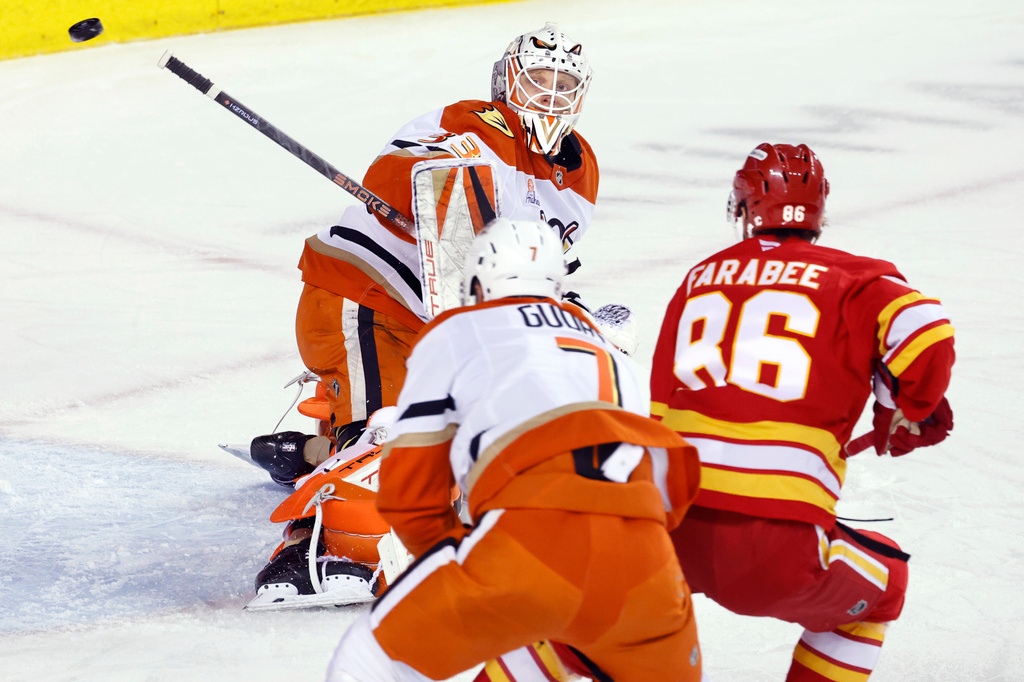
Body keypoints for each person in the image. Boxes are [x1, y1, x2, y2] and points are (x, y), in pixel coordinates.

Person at [245, 23, 644, 603]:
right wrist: (434, 167)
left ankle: (305, 453)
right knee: (378, 439)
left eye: (565, 84)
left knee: (445, 439)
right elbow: (404, 168)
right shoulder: (469, 122)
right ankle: (309, 552)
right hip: (363, 298)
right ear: (508, 81)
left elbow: (528, 259)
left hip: (438, 322)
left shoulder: (580, 168)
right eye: (538, 79)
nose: (551, 95)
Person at [325, 217, 705, 682]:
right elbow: (672, 480)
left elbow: (412, 498)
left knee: (365, 662)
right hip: (651, 576)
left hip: (532, 545)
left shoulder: (459, 329)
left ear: (481, 283)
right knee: (541, 648)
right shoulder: (607, 348)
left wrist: (469, 567)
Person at [650, 143, 955, 680]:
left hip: (671, 529)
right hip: (776, 546)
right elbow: (926, 330)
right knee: (885, 590)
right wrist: (910, 405)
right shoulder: (853, 278)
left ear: (744, 209)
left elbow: (655, 409)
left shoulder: (697, 279)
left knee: (586, 621)